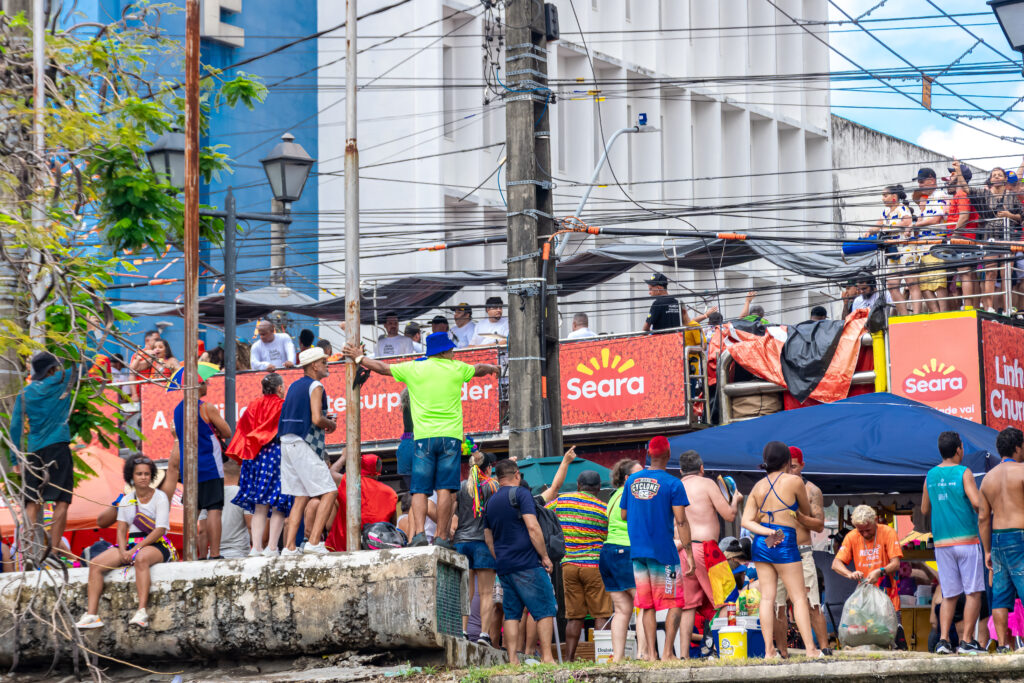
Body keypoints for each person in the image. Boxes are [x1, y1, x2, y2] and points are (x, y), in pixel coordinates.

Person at [344, 332, 500, 550]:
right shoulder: (456, 368)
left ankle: (417, 535)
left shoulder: (414, 368)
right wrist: (493, 369)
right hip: (450, 439)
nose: (453, 354)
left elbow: (383, 368)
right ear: (445, 351)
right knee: (446, 490)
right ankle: (442, 537)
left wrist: (360, 358)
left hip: (423, 439)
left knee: (419, 490)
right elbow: (480, 369)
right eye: (451, 350)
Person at [742, 441, 821, 659]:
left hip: (762, 541)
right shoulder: (795, 481)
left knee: (767, 598)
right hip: (785, 540)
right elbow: (805, 512)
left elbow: (746, 521)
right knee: (798, 598)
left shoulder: (758, 487)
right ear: (787, 461)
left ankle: (769, 651)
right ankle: (811, 650)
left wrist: (766, 532)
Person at [76, 455, 173, 630]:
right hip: (130, 544)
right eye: (139, 474)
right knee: (96, 564)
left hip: (156, 543)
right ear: (132, 477)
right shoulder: (126, 500)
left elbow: (160, 530)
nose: (143, 477)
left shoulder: (160, 497)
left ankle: (141, 611)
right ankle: (92, 614)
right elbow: (121, 529)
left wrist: (134, 549)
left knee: (141, 558)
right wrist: (122, 551)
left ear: (151, 476)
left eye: (146, 474)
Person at [621, 436, 695, 660]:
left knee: (647, 605)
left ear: (649, 455)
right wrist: (689, 553)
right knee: (675, 602)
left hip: (638, 553)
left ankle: (651, 654)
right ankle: (667, 653)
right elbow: (681, 521)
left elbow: (624, 514)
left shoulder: (631, 481)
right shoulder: (673, 483)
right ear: (668, 455)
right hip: (664, 553)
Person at [483, 458, 558, 666]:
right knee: (545, 609)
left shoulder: (490, 502)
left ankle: (513, 660)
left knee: (512, 613)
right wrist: (544, 556)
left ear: (499, 478)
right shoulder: (522, 494)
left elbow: (488, 538)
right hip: (527, 563)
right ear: (516, 474)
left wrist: (500, 557)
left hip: (504, 566)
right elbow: (533, 528)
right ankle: (547, 658)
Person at [921, 431, 985, 654]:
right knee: (973, 592)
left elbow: (924, 509)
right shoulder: (964, 472)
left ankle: (944, 641)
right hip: (967, 540)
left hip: (942, 543)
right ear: (959, 449)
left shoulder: (930, 475)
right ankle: (967, 640)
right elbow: (977, 503)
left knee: (949, 594)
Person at [676, 449, 742, 658]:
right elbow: (729, 515)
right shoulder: (707, 484)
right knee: (728, 599)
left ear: (680, 471)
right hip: (706, 549)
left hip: (683, 550)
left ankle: (684, 655)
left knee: (689, 606)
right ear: (702, 469)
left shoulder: (676, 487)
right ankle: (718, 649)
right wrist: (736, 500)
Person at [10, 352, 77, 558]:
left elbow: (15, 427)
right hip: (58, 447)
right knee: (62, 500)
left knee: (32, 502)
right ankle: (55, 549)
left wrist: (15, 459)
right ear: (52, 369)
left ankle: (29, 550)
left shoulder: (25, 393)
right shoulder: (60, 381)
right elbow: (87, 362)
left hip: (34, 452)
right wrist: (89, 332)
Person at [277, 347, 338, 555]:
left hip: (286, 442)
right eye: (323, 361)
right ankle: (313, 542)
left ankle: (289, 547)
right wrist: (331, 424)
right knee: (330, 491)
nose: (326, 365)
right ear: (314, 365)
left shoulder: (294, 385)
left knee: (300, 496)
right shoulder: (316, 385)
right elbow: (315, 418)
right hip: (302, 443)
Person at [165, 372, 232, 559]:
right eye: (205, 383)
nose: (207, 386)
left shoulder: (178, 410)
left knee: (192, 512)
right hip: (210, 464)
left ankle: (189, 552)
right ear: (196, 386)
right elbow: (226, 430)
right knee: (214, 508)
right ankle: (216, 553)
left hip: (189, 468)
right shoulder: (206, 408)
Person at [547, 470, 612, 661]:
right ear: (599, 488)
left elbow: (543, 513)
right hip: (594, 566)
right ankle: (602, 658)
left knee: (574, 616)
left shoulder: (562, 502)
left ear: (577, 485)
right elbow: (608, 537)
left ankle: (569, 659)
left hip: (569, 566)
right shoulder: (603, 509)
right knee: (602, 613)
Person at [226, 372, 293, 557]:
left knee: (259, 505)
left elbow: (243, 430)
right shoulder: (283, 405)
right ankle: (272, 547)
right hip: (276, 456)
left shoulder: (253, 405)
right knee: (279, 503)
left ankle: (255, 547)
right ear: (280, 388)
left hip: (254, 457)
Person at [773, 446, 828, 656]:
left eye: (793, 467)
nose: (789, 471)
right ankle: (782, 652)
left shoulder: (811, 490)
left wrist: (799, 517)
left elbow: (819, 525)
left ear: (802, 466)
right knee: (778, 606)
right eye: (787, 467)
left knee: (812, 602)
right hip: (779, 552)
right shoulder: (773, 488)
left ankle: (824, 648)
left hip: (802, 551)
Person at [831, 505, 904, 646]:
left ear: (875, 520)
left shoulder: (888, 532)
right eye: (860, 531)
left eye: (868, 530)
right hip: (864, 601)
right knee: (866, 637)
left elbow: (896, 564)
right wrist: (850, 574)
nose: (864, 534)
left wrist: (880, 571)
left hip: (888, 597)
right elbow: (836, 564)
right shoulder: (852, 536)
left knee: (893, 638)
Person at [979, 426, 1024, 654]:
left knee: (1000, 595)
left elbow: (984, 517)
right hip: (1020, 536)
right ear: (1018, 447)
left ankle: (1003, 646)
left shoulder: (988, 478)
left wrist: (987, 550)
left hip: (997, 540)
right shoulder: (1022, 471)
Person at [452, 450, 501, 646]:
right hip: (483, 542)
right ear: (488, 468)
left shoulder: (462, 487)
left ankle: (462, 631)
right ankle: (483, 635)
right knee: (486, 592)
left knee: (466, 591)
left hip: (462, 542)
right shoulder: (492, 485)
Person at [600, 458, 643, 662]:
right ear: (628, 478)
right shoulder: (632, 495)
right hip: (625, 551)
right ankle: (644, 653)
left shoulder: (613, 496)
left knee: (622, 609)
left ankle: (617, 657)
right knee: (643, 604)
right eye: (639, 474)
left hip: (608, 552)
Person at [325, 453, 398, 551]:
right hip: (377, 546)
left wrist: (344, 456)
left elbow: (330, 473)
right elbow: (393, 525)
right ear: (378, 470)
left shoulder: (349, 482)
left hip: (346, 544)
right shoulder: (390, 492)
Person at [865, 184, 916, 316]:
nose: (883, 198)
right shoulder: (886, 212)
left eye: (885, 195)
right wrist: (870, 231)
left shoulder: (902, 208)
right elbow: (878, 226)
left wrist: (887, 228)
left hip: (905, 249)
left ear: (894, 197)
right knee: (892, 285)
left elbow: (907, 222)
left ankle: (916, 314)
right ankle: (904, 315)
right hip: (892, 252)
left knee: (912, 283)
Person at [979, 167, 1022, 311]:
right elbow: (966, 189)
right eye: (994, 175)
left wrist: (1009, 215)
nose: (996, 177)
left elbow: (1021, 216)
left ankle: (1007, 308)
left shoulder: (1011, 196)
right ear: (990, 180)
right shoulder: (984, 194)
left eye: (999, 175)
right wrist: (958, 170)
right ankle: (989, 307)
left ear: (1004, 179)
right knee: (990, 273)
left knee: (1006, 274)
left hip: (1007, 238)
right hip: (989, 238)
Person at [913, 167, 951, 312]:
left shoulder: (939, 195)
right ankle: (937, 313)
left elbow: (936, 219)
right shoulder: (928, 200)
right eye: (919, 182)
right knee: (924, 285)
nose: (920, 184)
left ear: (932, 180)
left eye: (922, 181)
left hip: (936, 244)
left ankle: (943, 313)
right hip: (924, 246)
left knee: (939, 283)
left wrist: (917, 224)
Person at [945, 160, 981, 309]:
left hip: (962, 238)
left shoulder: (961, 194)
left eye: (952, 174)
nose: (949, 178)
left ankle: (968, 306)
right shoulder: (964, 194)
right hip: (966, 238)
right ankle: (972, 305)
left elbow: (964, 216)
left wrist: (954, 234)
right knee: (970, 274)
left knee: (964, 273)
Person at [216, 460, 251, 559]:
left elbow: (202, 529)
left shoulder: (211, 496)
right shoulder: (243, 495)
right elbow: (251, 525)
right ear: (240, 473)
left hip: (213, 554)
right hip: (238, 553)